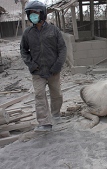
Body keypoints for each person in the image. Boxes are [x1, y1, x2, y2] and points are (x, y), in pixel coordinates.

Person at [20, 0, 67, 132]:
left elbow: (62, 49)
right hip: (37, 72)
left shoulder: (54, 30)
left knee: (56, 94)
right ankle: (44, 123)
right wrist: (32, 65)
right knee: (39, 95)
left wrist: (57, 66)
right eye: (30, 14)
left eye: (35, 13)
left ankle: (56, 114)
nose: (32, 16)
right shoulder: (27, 33)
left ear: (42, 14)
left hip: (53, 71)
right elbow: (24, 51)